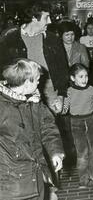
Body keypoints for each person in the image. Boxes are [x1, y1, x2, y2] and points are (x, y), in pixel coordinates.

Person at [0, 58, 64, 200]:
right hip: (11, 182)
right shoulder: (2, 106)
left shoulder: (35, 102)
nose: (39, 83)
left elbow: (48, 127)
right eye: (36, 80)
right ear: (27, 81)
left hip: (37, 175)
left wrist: (55, 152)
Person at [0, 2, 69, 114]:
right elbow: (3, 71)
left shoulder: (53, 40)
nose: (50, 21)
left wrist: (61, 96)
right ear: (34, 18)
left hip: (51, 93)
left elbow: (63, 69)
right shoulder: (10, 40)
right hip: (22, 95)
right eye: (46, 17)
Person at [62, 63, 93, 189]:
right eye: (80, 76)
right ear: (72, 78)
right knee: (82, 152)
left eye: (86, 76)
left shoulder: (92, 90)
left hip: (91, 121)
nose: (84, 79)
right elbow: (65, 109)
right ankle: (83, 179)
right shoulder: (69, 91)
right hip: (76, 123)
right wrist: (59, 107)